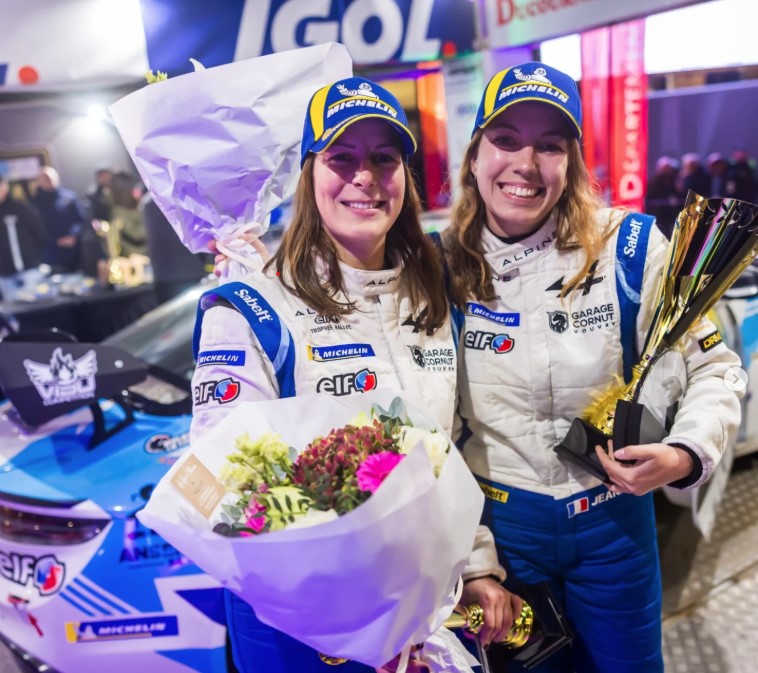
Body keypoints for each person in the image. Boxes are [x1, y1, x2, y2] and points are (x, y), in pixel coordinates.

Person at [192, 77, 513, 673]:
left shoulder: (433, 296)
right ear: (309, 175)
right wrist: (352, 617)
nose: (364, 176)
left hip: (422, 612)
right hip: (299, 631)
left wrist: (474, 568)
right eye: (341, 157)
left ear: (404, 178)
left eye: (384, 158)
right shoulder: (251, 308)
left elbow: (446, 455)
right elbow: (225, 484)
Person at [443, 61, 743, 673]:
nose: (526, 163)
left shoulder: (629, 247)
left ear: (573, 163)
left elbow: (714, 366)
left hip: (613, 526)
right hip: (501, 534)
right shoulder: (438, 266)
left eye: (550, 145)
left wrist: (685, 452)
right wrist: (471, 561)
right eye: (506, 139)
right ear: (474, 157)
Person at [0, 173, 48, 301]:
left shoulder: (21, 209)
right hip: (5, 275)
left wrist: (33, 258)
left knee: (35, 306)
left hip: (29, 272)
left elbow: (40, 234)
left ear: (4, 186)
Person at [30, 166, 87, 274]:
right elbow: (36, 229)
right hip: (51, 254)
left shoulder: (69, 197)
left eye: (50, 178)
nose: (48, 181)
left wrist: (73, 236)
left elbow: (81, 220)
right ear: (39, 182)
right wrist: (56, 241)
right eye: (45, 179)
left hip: (74, 251)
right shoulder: (35, 203)